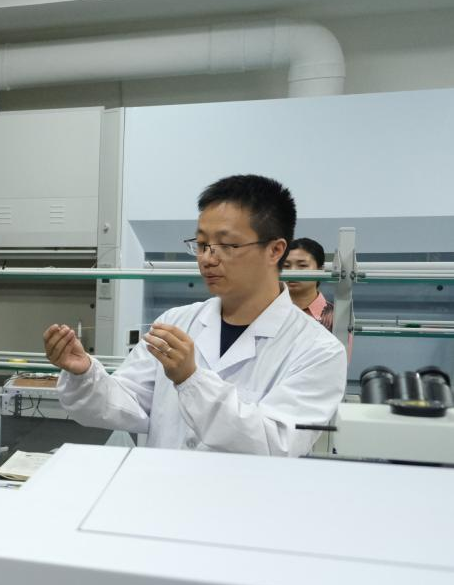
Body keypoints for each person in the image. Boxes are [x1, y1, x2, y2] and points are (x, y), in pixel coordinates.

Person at [44, 175, 346, 457]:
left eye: (226, 245)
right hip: (164, 490)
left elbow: (275, 444)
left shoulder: (318, 350)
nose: (207, 259)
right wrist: (85, 374)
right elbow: (127, 403)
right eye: (202, 245)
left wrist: (191, 379)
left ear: (275, 250)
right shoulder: (176, 322)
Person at [284, 237, 334, 330]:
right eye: (286, 266)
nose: (292, 271)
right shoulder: (268, 312)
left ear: (320, 270)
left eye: (302, 265)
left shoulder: (336, 316)